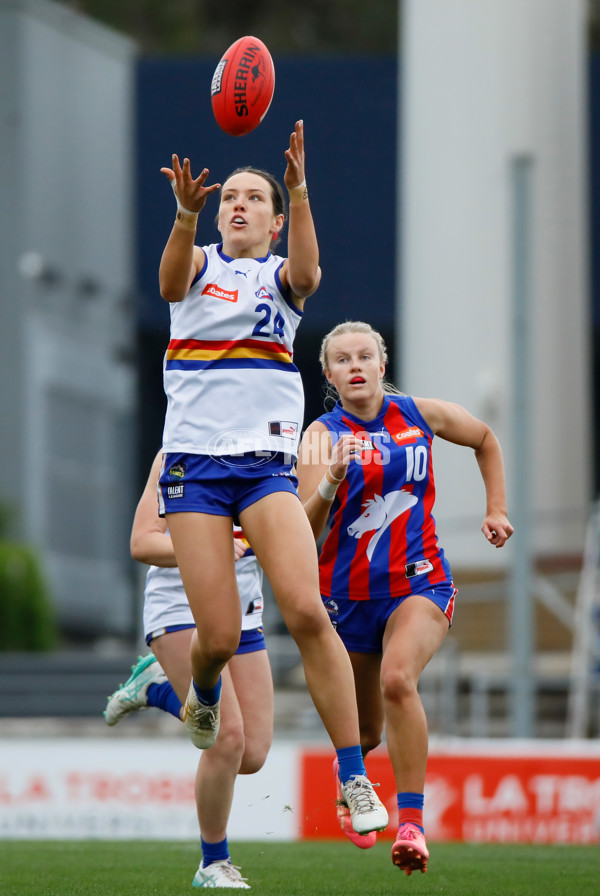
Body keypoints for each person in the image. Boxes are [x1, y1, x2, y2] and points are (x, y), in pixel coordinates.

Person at [156, 121, 387, 836]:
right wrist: (185, 213)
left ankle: (353, 778)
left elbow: (311, 276)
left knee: (308, 611)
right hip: (195, 472)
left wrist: (301, 189)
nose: (241, 205)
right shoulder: (195, 263)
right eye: (233, 198)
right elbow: (166, 282)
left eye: (256, 199)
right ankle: (199, 694)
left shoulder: (279, 281)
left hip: (263, 469)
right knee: (219, 637)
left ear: (276, 219)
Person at [296, 320, 514, 874]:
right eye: (343, 360)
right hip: (346, 598)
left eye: (365, 356)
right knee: (366, 731)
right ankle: (352, 782)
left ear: (381, 363)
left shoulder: (419, 414)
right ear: (329, 375)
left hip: (419, 583)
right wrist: (331, 480)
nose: (356, 367)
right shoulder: (322, 435)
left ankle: (411, 824)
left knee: (399, 680)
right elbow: (301, 530)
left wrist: (496, 508)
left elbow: (485, 438)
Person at [104, 449, 271, 889]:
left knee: (251, 754)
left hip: (246, 613)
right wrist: (207, 549)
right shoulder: (175, 454)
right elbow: (143, 542)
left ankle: (156, 689)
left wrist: (329, 486)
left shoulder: (275, 455)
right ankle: (212, 862)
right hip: (179, 609)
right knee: (226, 738)